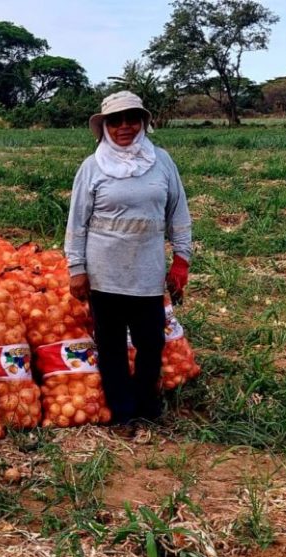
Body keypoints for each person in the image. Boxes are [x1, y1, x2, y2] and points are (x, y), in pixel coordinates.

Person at [64, 91, 192, 426]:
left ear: (143, 122)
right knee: (111, 347)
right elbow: (76, 222)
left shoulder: (161, 161)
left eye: (131, 119)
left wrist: (182, 259)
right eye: (115, 120)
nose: (125, 126)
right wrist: (76, 268)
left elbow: (178, 212)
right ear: (104, 127)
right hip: (104, 272)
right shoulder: (92, 167)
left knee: (151, 342)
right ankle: (122, 412)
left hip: (147, 270)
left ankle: (147, 407)